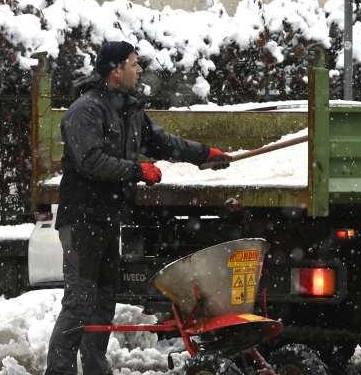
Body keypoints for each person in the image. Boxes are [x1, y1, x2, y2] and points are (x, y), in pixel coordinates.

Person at [45, 41, 231, 375]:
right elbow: (90, 161)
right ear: (115, 70)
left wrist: (204, 154)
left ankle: (95, 370)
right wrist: (137, 170)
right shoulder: (85, 111)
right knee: (78, 303)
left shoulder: (127, 110)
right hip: (82, 219)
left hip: (107, 218)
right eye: (133, 63)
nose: (139, 69)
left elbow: (162, 142)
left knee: (102, 303)